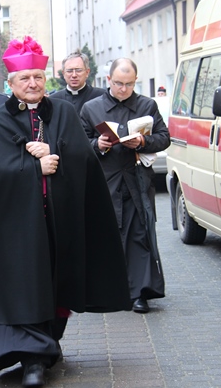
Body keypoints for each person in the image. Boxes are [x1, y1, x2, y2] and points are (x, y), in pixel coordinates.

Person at [0, 37, 131, 387]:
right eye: (25, 78)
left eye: (38, 77)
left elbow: (83, 160)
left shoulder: (64, 112)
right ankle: (33, 359)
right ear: (11, 84)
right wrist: (33, 169)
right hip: (14, 226)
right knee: (24, 287)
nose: (32, 84)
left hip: (58, 219)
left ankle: (47, 345)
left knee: (57, 288)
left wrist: (53, 152)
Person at [80, 58, 170, 314]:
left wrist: (142, 141)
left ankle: (140, 293)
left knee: (139, 236)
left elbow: (164, 138)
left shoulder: (147, 105)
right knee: (104, 238)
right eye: (118, 83)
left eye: (129, 84)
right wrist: (97, 145)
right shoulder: (91, 108)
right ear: (108, 80)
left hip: (136, 182)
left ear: (135, 81)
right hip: (103, 182)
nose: (123, 89)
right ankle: (107, 292)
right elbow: (78, 142)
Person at [49, 49, 106, 114]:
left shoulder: (101, 96)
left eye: (78, 70)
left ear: (87, 72)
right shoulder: (53, 100)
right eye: (69, 71)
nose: (74, 75)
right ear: (63, 73)